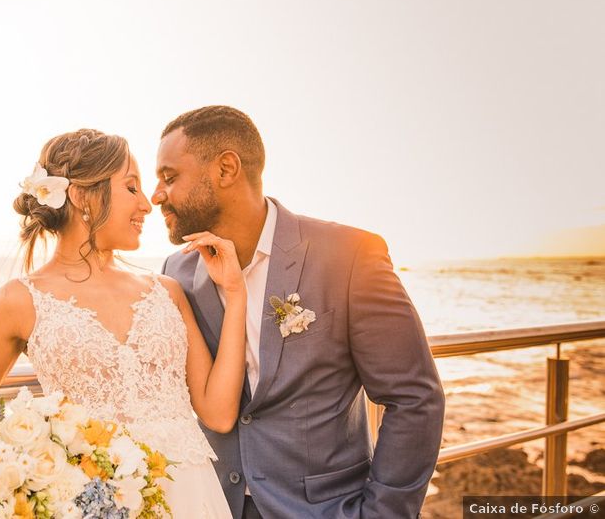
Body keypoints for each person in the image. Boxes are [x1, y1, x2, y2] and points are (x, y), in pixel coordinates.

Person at [155, 106, 446, 519]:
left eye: (169, 177)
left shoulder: (349, 256)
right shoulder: (176, 272)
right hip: (213, 507)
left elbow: (414, 399)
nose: (156, 195)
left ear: (226, 169)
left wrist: (384, 514)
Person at [0, 129, 246, 517]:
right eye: (131, 188)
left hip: (190, 496)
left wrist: (236, 292)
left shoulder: (166, 292)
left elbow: (218, 413)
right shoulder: (17, 301)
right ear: (81, 197)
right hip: (94, 504)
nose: (146, 204)